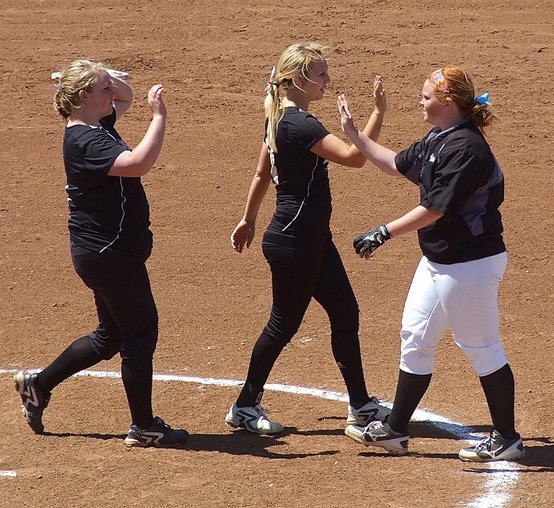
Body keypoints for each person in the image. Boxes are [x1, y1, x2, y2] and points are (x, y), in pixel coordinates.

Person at [337, 67, 524, 462]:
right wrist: (355, 135)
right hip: (439, 261)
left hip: (471, 264)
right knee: (415, 337)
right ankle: (395, 430)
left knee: (482, 348)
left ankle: (506, 437)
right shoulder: (439, 137)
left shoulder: (466, 149)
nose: (420, 102)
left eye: (425, 97)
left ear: (448, 102)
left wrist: (384, 231)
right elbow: (395, 164)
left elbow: (436, 208)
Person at [13, 60, 188, 448]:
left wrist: (100, 72)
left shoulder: (96, 125)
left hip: (105, 252)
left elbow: (123, 96)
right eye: (104, 89)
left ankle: (38, 385)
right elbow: (138, 163)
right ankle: (144, 426)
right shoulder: (86, 140)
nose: (114, 94)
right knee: (140, 332)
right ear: (83, 97)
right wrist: (158, 117)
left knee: (111, 335)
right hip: (109, 255)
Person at [227, 42, 391, 435]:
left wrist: (248, 219)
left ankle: (361, 405)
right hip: (295, 242)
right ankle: (245, 406)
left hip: (311, 239)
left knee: (345, 313)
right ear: (299, 79)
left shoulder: (278, 118)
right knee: (282, 325)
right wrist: (378, 114)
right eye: (321, 75)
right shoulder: (301, 124)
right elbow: (354, 158)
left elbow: (262, 174)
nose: (328, 81)